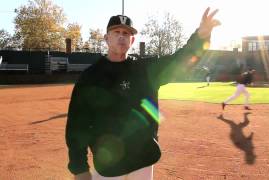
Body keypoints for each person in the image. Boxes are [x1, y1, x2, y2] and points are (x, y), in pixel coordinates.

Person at [66, 7, 221, 180]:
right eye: (116, 31)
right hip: (109, 166)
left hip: (143, 160)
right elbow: (76, 125)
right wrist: (79, 168)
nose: (121, 36)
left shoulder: (145, 70)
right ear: (106, 38)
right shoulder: (91, 77)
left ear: (132, 40)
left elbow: (180, 61)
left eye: (126, 33)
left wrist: (201, 37)